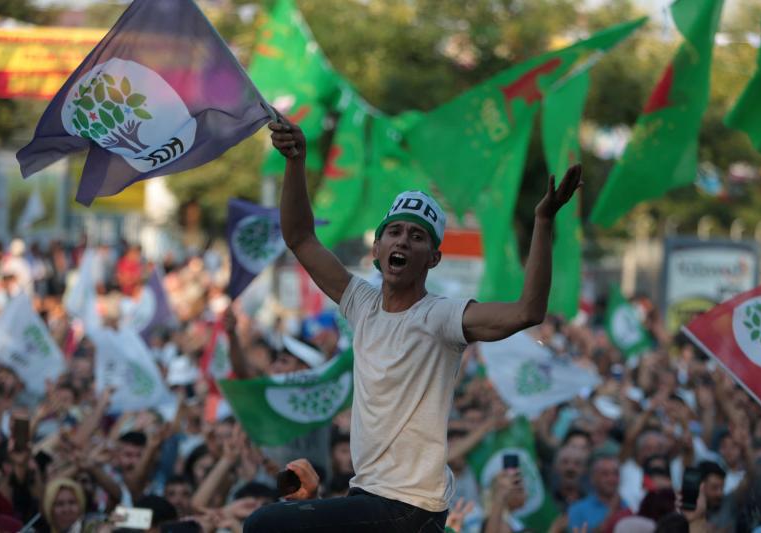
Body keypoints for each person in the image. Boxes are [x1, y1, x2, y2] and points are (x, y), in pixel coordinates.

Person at [242, 115, 582, 533]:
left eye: (417, 236)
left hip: (408, 507)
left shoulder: (440, 316)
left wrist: (544, 223)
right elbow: (300, 238)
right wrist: (296, 160)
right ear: (378, 248)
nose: (403, 240)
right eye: (395, 232)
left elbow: (528, 310)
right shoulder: (360, 303)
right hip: (368, 496)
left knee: (264, 524)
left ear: (433, 258)